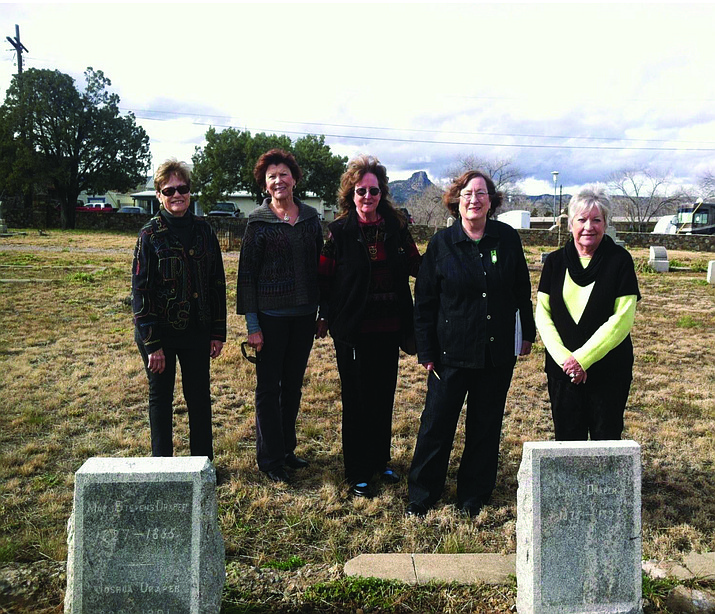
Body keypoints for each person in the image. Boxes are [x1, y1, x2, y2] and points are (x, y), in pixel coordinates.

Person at [406, 170, 535, 518]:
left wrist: (527, 335)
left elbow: (521, 290)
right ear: (456, 201)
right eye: (467, 194)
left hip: (495, 354)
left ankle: (473, 494)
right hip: (450, 355)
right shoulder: (441, 245)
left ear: (491, 201)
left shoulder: (506, 239)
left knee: (485, 425)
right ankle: (422, 493)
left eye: (481, 193)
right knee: (436, 425)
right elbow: (426, 302)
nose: (474, 199)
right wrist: (427, 351)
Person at [317, 155, 421, 498]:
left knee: (383, 397)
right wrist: (325, 315)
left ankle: (380, 461)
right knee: (357, 401)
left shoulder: (395, 227)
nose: (367, 197)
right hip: (353, 331)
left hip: (390, 328)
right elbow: (324, 279)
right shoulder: (339, 232)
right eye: (361, 190)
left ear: (382, 192)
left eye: (373, 191)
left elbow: (415, 264)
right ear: (351, 192)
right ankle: (357, 470)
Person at [236, 149, 324, 484]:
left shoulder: (311, 218)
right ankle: (270, 459)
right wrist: (253, 326)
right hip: (270, 320)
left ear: (295, 178)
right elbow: (247, 277)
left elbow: (323, 269)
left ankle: (287, 449)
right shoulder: (258, 223)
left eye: (283, 174)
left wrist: (322, 312)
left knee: (293, 388)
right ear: (265, 183)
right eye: (271, 176)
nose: (278, 180)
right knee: (268, 389)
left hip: (303, 318)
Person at [132, 159, 227, 460]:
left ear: (189, 192)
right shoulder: (150, 235)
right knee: (161, 399)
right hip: (159, 333)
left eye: (182, 188)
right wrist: (152, 344)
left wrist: (217, 331)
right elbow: (140, 291)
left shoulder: (204, 230)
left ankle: (202, 464)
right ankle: (162, 466)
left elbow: (216, 283)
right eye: (169, 189)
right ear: (158, 194)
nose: (177, 195)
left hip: (197, 331)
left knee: (199, 399)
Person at [535, 185, 640, 441]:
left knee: (606, 440)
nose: (588, 227)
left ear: (605, 223)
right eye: (581, 219)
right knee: (568, 442)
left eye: (596, 220)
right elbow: (543, 315)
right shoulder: (555, 262)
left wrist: (584, 359)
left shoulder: (620, 261)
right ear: (571, 224)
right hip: (563, 371)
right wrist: (567, 362)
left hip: (609, 370)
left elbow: (622, 320)